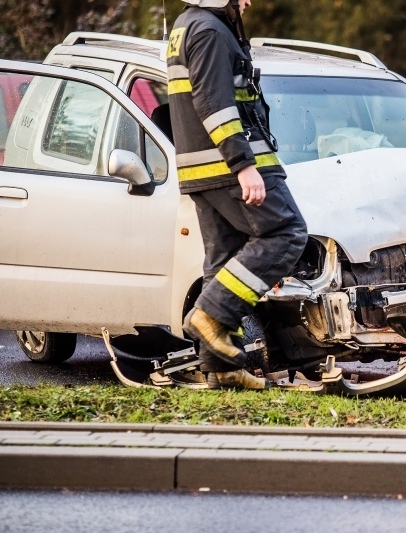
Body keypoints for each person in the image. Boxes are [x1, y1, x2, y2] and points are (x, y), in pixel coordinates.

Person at [167, 0, 308, 389]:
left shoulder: (187, 24)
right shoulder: (211, 31)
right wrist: (244, 164)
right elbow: (214, 104)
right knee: (287, 233)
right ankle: (210, 314)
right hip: (228, 166)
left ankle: (222, 368)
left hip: (204, 170)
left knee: (223, 259)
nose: (246, 2)